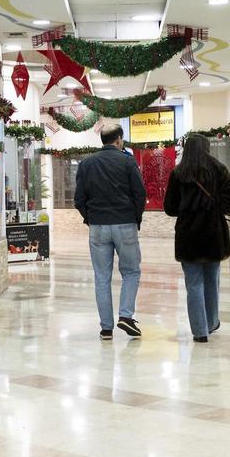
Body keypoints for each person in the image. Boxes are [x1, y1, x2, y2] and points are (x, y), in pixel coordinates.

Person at [163, 133, 230, 343]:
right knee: (212, 280)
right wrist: (216, 209)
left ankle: (199, 332)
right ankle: (211, 322)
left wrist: (187, 209)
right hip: (213, 233)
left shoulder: (178, 173)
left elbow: (170, 208)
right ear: (206, 148)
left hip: (188, 236)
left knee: (194, 284)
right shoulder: (217, 168)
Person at [74, 122, 147, 338]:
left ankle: (106, 328)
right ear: (118, 140)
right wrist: (135, 218)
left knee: (102, 276)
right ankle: (125, 316)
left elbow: (79, 199)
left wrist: (91, 219)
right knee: (131, 271)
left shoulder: (86, 164)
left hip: (98, 227)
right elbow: (139, 194)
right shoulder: (127, 161)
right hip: (125, 223)